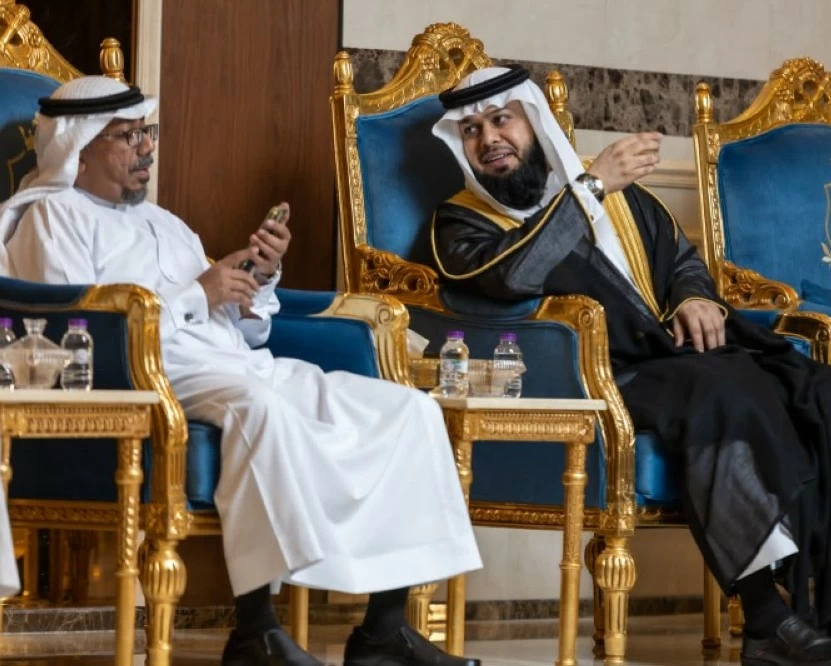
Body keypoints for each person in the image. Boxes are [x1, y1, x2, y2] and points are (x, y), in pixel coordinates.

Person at [431, 66, 831, 666]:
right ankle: (767, 622)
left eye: (501, 120)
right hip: (603, 375)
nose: (488, 139)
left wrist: (693, 298)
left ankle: (824, 603)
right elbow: (513, 274)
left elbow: (681, 260)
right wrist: (590, 187)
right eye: (471, 130)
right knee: (726, 393)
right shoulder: (462, 221)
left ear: (534, 123)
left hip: (680, 358)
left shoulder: (624, 197)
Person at [0, 76, 482, 666]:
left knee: (409, 409)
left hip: (239, 362)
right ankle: (254, 630)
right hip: (155, 374)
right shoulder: (51, 217)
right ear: (80, 148)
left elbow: (247, 329)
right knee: (259, 410)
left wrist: (257, 278)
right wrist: (199, 293)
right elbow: (77, 327)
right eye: (128, 137)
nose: (146, 148)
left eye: (148, 133)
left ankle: (383, 630)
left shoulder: (165, 223)